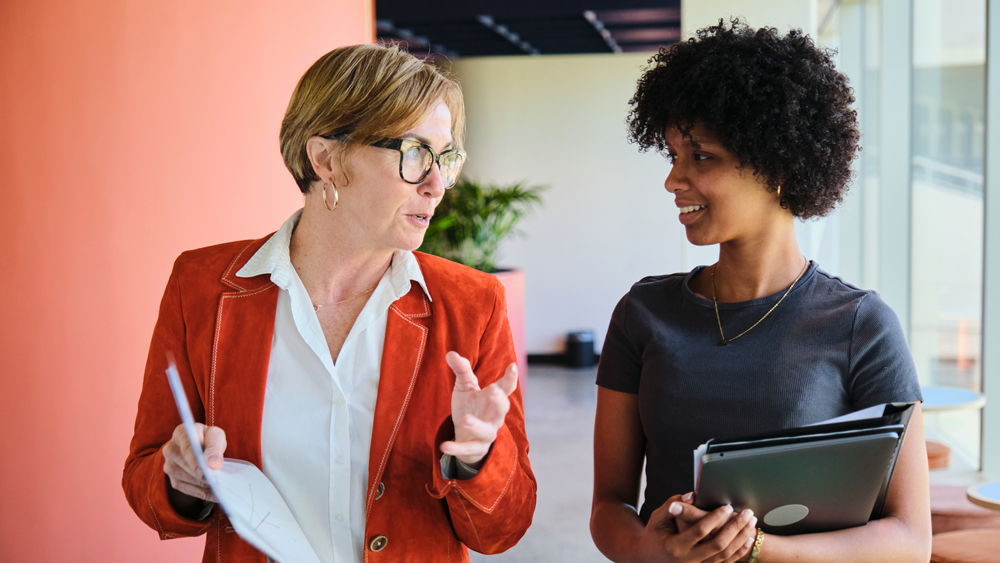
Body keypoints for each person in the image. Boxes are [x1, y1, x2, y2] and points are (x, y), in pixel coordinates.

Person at [123, 44, 536, 563]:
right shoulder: (203, 286)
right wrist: (179, 477)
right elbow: (145, 479)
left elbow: (505, 527)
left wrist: (477, 458)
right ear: (326, 160)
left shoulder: (473, 304)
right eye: (414, 154)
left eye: (445, 158)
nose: (437, 185)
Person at [590, 20, 931, 563]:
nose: (672, 179)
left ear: (775, 166)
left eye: (700, 156)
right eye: (673, 154)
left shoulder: (860, 324)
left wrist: (758, 549)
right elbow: (609, 506)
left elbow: (909, 541)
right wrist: (646, 549)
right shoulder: (642, 314)